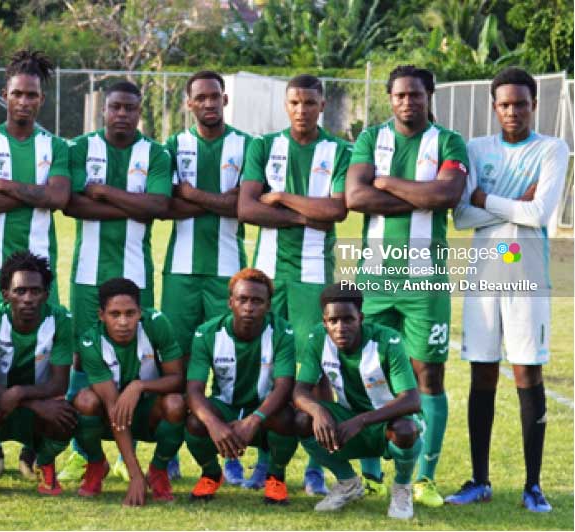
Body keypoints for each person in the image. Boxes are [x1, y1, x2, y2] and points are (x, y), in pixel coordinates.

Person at [345, 65, 469, 507]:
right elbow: (355, 198)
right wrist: (420, 192)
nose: (407, 102)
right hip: (375, 278)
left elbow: (447, 196)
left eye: (415, 95)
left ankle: (426, 478)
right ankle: (374, 473)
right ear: (390, 98)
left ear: (428, 95)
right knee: (369, 372)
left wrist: (386, 183)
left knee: (427, 375)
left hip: (426, 280)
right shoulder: (369, 140)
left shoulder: (449, 141)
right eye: (399, 95)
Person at [448, 67, 568, 513]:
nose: (512, 111)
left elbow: (538, 214)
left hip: (528, 278)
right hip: (482, 278)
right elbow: (461, 216)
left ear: (534, 104)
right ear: (494, 107)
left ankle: (532, 485)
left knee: (526, 373)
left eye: (520, 103)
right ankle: (480, 479)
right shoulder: (477, 148)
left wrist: (488, 200)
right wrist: (511, 204)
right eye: (504, 104)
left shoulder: (553, 148)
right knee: (482, 374)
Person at [238, 74, 351, 495]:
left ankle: (316, 466)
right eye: (295, 103)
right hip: (267, 276)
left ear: (322, 105)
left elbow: (336, 210)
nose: (301, 109)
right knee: (266, 368)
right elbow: (248, 209)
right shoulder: (264, 146)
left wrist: (281, 197)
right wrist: (307, 216)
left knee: (313, 374)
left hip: (312, 279)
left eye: (309, 102)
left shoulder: (339, 150)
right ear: (286, 106)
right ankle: (266, 459)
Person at [59, 80, 172, 480]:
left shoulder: (155, 153)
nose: (122, 114)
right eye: (115, 107)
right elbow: (71, 205)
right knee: (80, 355)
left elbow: (158, 206)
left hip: (135, 274)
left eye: (130, 108)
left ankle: (129, 454)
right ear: (102, 110)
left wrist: (103, 191)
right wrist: (132, 205)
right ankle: (81, 450)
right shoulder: (80, 149)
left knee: (140, 355)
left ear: (140, 111)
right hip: (87, 274)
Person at [162, 70, 252, 485]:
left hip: (229, 273)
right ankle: (172, 451)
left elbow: (243, 206)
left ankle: (231, 452)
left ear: (225, 100)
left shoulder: (246, 145)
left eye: (216, 96)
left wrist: (194, 194)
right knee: (177, 365)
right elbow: (165, 205)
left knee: (230, 368)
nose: (209, 103)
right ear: (189, 103)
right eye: (201, 98)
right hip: (180, 272)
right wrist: (220, 201)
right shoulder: (173, 146)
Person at [293, 283, 422, 519]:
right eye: (333, 321)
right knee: (302, 419)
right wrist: (319, 412)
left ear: (360, 318)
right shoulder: (318, 339)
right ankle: (348, 482)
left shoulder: (387, 340)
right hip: (348, 419)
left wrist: (361, 421)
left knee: (405, 429)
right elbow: (299, 391)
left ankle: (402, 487)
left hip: (387, 421)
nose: (340, 327)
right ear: (324, 322)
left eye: (348, 319)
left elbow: (412, 400)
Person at [0, 50, 70, 333]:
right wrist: (37, 194)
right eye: (17, 94)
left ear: (41, 99)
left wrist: (4, 185)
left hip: (40, 267)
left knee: (44, 350)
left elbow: (58, 198)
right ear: (4, 95)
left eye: (32, 95)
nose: (24, 102)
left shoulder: (56, 147)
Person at [184, 268, 300, 505]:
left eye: (257, 301)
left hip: (264, 411)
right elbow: (194, 390)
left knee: (289, 418)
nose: (249, 307)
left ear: (268, 305)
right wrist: (214, 424)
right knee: (195, 421)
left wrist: (254, 419)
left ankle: (276, 477)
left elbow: (284, 386)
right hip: (225, 407)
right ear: (230, 302)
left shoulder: (282, 332)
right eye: (242, 299)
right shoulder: (208, 333)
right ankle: (211, 474)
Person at [0, 251, 76, 496]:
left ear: (46, 294)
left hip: (38, 400)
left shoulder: (60, 319)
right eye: (20, 291)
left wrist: (19, 395)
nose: (28, 298)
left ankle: (45, 462)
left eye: (35, 291)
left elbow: (59, 384)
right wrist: (23, 400)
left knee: (66, 414)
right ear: (6, 295)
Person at [72, 278, 185, 506]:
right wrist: (135, 475)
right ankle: (96, 463)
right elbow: (115, 409)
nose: (123, 322)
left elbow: (177, 379)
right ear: (101, 315)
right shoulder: (90, 342)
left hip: (148, 411)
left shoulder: (157, 324)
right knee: (84, 400)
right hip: (111, 415)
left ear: (140, 313)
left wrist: (140, 385)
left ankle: (159, 470)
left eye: (130, 313)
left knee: (176, 404)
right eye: (115, 314)